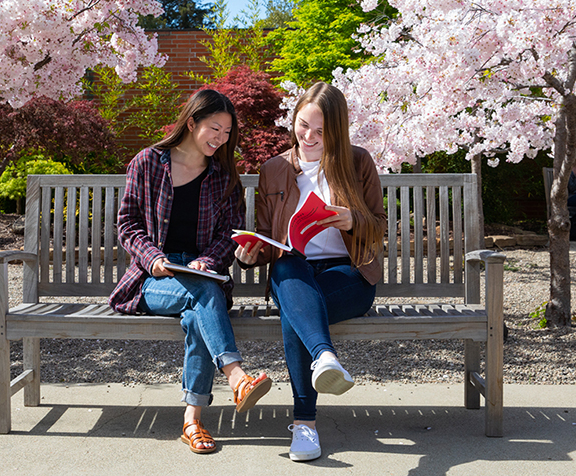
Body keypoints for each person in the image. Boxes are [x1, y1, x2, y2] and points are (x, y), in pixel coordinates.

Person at [109, 89, 272, 454]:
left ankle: (192, 421)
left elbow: (230, 234)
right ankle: (236, 376)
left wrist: (208, 262)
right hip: (153, 279)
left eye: (228, 133)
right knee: (204, 296)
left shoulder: (224, 176)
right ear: (192, 121)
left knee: (201, 306)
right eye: (215, 128)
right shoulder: (148, 162)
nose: (221, 139)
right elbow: (128, 224)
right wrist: (153, 258)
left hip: (203, 278)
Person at [235, 82, 387, 461]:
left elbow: (379, 225)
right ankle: (324, 361)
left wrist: (352, 220)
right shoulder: (273, 169)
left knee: (294, 311)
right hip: (295, 269)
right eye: (303, 126)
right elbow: (270, 240)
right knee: (288, 271)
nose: (309, 137)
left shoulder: (358, 162)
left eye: (321, 132)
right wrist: (250, 257)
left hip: (348, 275)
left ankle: (306, 424)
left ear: (337, 131)